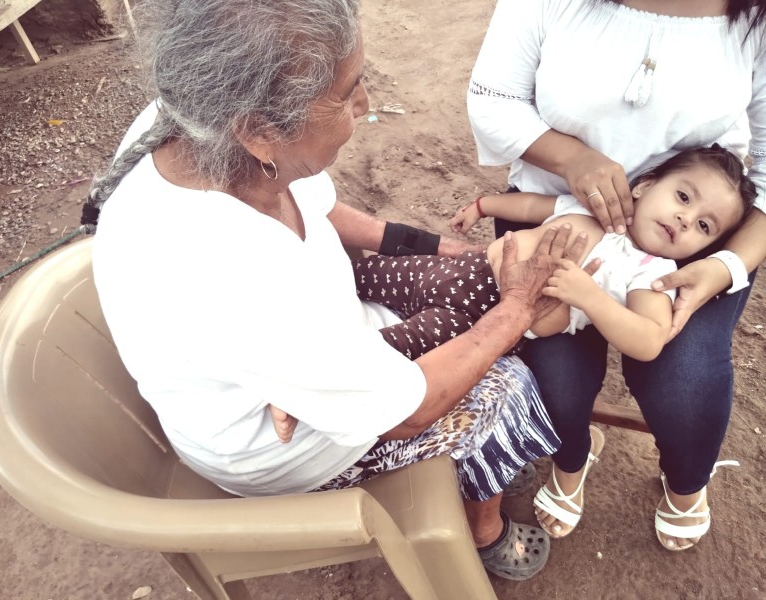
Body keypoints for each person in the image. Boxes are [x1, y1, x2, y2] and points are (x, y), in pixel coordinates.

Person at [81, 0, 596, 582]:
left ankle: (471, 449)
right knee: (506, 382)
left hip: (323, 342)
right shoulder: (219, 273)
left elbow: (321, 208)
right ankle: (484, 529)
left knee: (480, 282)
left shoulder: (201, 117)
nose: (365, 104)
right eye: (349, 91)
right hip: (282, 449)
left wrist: (442, 249)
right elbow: (409, 409)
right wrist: (515, 310)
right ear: (261, 133)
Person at [467, 0, 766, 551]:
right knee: (555, 380)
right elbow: (492, 101)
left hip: (688, 247)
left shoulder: (753, 20)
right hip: (562, 217)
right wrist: (571, 160)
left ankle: (686, 485)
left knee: (684, 382)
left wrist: (722, 266)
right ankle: (573, 458)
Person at [354, 145, 755, 364]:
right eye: (683, 197)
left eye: (705, 226)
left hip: (486, 318)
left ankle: (321, 378)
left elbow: (649, 340)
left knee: (395, 347)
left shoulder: (651, 271)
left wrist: (589, 297)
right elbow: (532, 208)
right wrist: (484, 205)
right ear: (644, 186)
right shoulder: (594, 207)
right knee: (368, 273)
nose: (686, 219)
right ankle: (301, 290)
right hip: (465, 268)